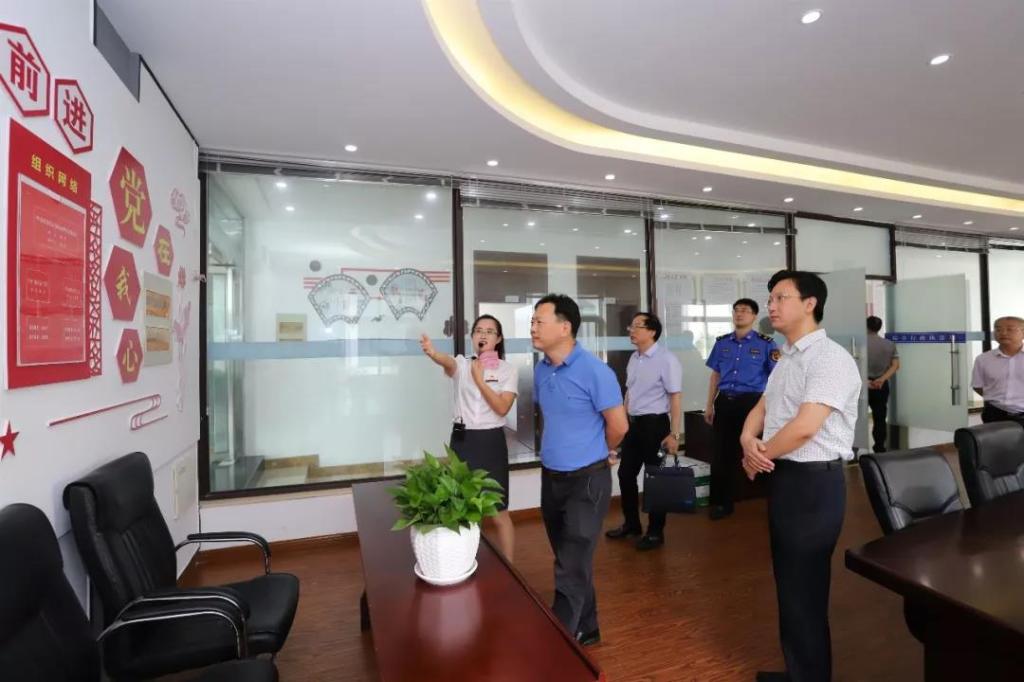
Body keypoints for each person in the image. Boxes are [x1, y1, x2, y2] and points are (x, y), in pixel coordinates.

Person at [739, 270, 861, 682]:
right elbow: (764, 405)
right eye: (770, 298)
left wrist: (758, 457)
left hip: (813, 484)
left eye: (781, 298)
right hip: (787, 477)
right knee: (790, 585)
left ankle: (810, 676)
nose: (771, 306)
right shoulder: (787, 356)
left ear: (810, 304)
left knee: (804, 588)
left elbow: (806, 426)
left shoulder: (830, 358)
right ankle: (799, 671)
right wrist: (746, 438)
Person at [531, 294, 627, 645]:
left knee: (570, 564)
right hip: (551, 477)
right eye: (532, 322)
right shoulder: (541, 370)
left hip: (587, 480)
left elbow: (619, 425)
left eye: (539, 321)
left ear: (565, 327)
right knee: (569, 557)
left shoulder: (596, 371)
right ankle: (588, 626)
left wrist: (602, 450)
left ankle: (559, 644)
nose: (532, 328)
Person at [420, 314, 518, 560]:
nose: (483, 335)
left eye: (489, 331)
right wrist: (433, 353)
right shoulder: (462, 365)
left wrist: (480, 381)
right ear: (472, 336)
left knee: (498, 511)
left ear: (498, 339)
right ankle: (465, 562)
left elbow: (502, 408)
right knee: (463, 508)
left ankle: (511, 569)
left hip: (491, 442)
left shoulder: (507, 370)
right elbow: (447, 362)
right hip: (463, 441)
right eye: (478, 330)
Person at [605, 312, 682, 550]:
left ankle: (656, 532)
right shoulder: (634, 358)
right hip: (634, 425)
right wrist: (622, 421)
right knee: (625, 474)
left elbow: (675, 397)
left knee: (655, 479)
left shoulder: (666, 359)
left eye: (637, 326)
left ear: (652, 331)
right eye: (631, 325)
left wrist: (675, 434)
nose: (631, 330)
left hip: (655, 426)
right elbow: (630, 392)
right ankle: (632, 524)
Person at [704, 298, 777, 520]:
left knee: (757, 450)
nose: (739, 313)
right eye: (736, 310)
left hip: (752, 404)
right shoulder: (722, 343)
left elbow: (776, 378)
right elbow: (715, 375)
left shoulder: (766, 344)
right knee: (721, 454)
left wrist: (770, 408)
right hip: (725, 402)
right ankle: (721, 503)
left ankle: (767, 498)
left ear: (754, 316)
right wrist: (709, 405)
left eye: (744, 310)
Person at [972, 316, 1024, 427]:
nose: (1003, 333)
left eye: (1010, 329)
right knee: (995, 439)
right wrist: (996, 398)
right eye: (998, 329)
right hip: (995, 414)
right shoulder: (983, 359)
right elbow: (977, 386)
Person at [865, 316, 899, 453]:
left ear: (866, 326)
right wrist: (882, 379)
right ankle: (879, 447)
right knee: (880, 417)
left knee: (856, 417)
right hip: (880, 386)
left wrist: (865, 381)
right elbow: (895, 365)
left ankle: (854, 450)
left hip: (863, 384)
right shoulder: (889, 344)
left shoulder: (859, 343)